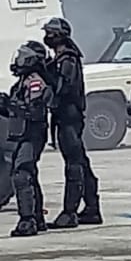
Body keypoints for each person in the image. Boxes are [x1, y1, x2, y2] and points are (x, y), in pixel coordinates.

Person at [41, 17, 102, 228]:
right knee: (80, 161)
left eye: (50, 33)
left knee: (74, 163)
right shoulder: (61, 57)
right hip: (65, 115)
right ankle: (92, 208)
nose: (47, 36)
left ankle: (70, 212)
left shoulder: (67, 59)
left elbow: (63, 86)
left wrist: (46, 75)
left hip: (69, 115)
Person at [4, 41, 51, 237]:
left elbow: (34, 110)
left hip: (32, 133)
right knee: (29, 174)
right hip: (22, 133)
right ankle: (37, 217)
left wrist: (10, 105)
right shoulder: (22, 81)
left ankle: (27, 220)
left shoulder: (34, 81)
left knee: (21, 175)